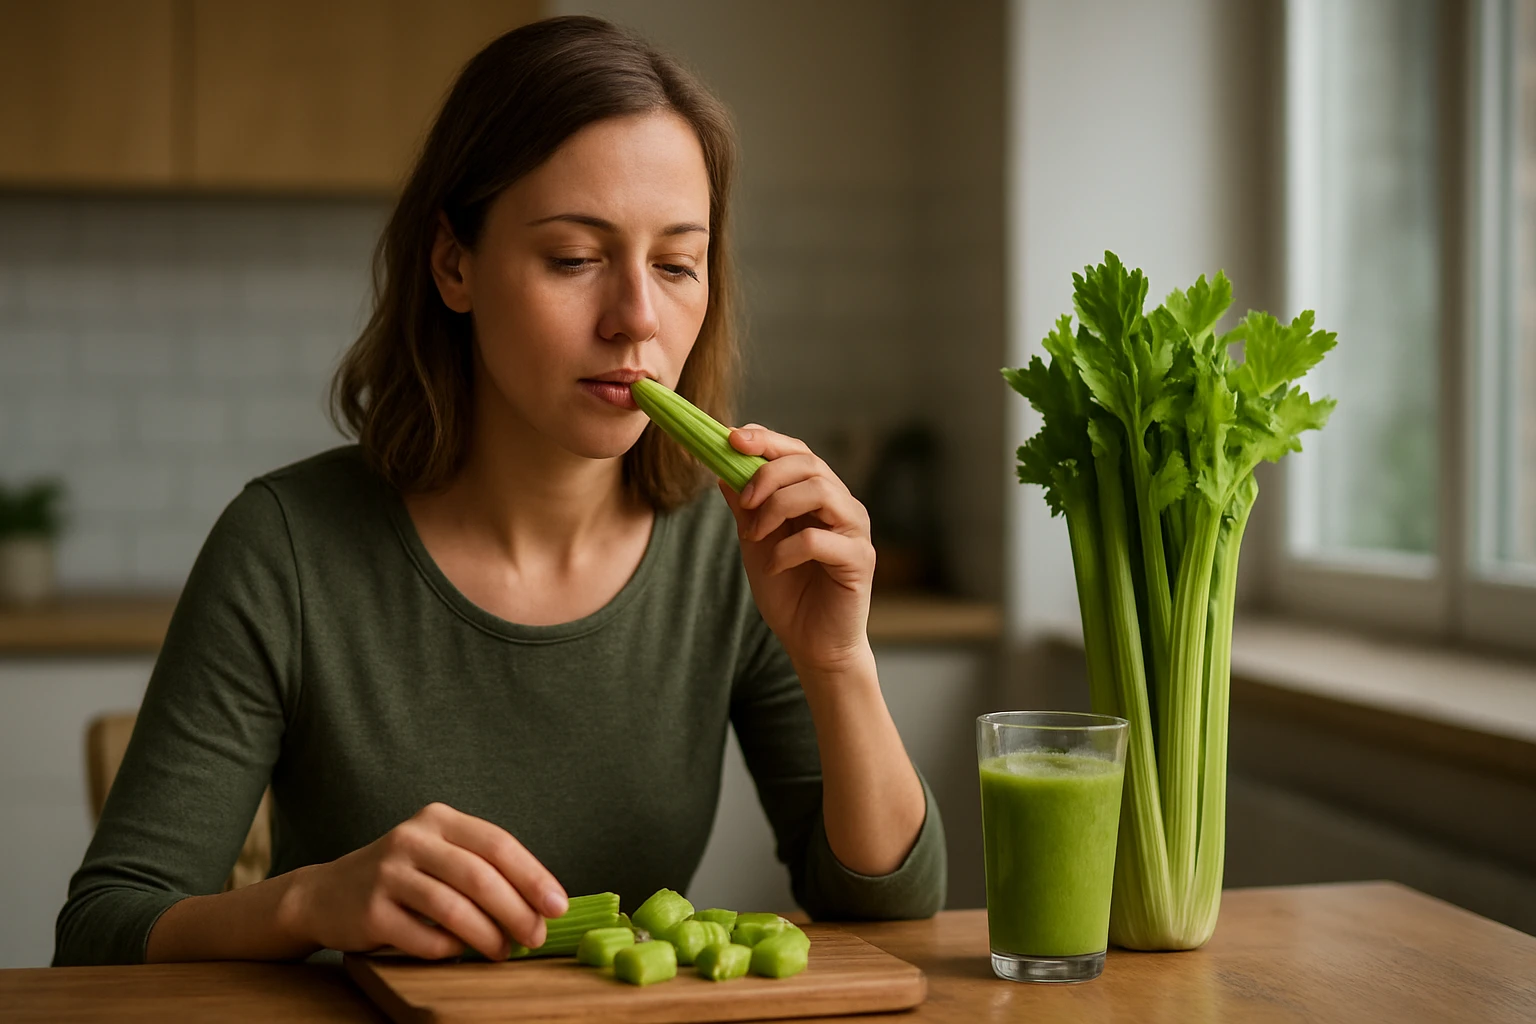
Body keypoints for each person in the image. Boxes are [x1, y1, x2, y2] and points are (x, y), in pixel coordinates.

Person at [54, 15, 944, 967]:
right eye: (574, 258)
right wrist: (310, 902)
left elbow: (889, 908)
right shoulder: (284, 548)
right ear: (454, 263)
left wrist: (840, 661)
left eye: (678, 265)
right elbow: (102, 934)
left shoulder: (735, 547)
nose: (637, 319)